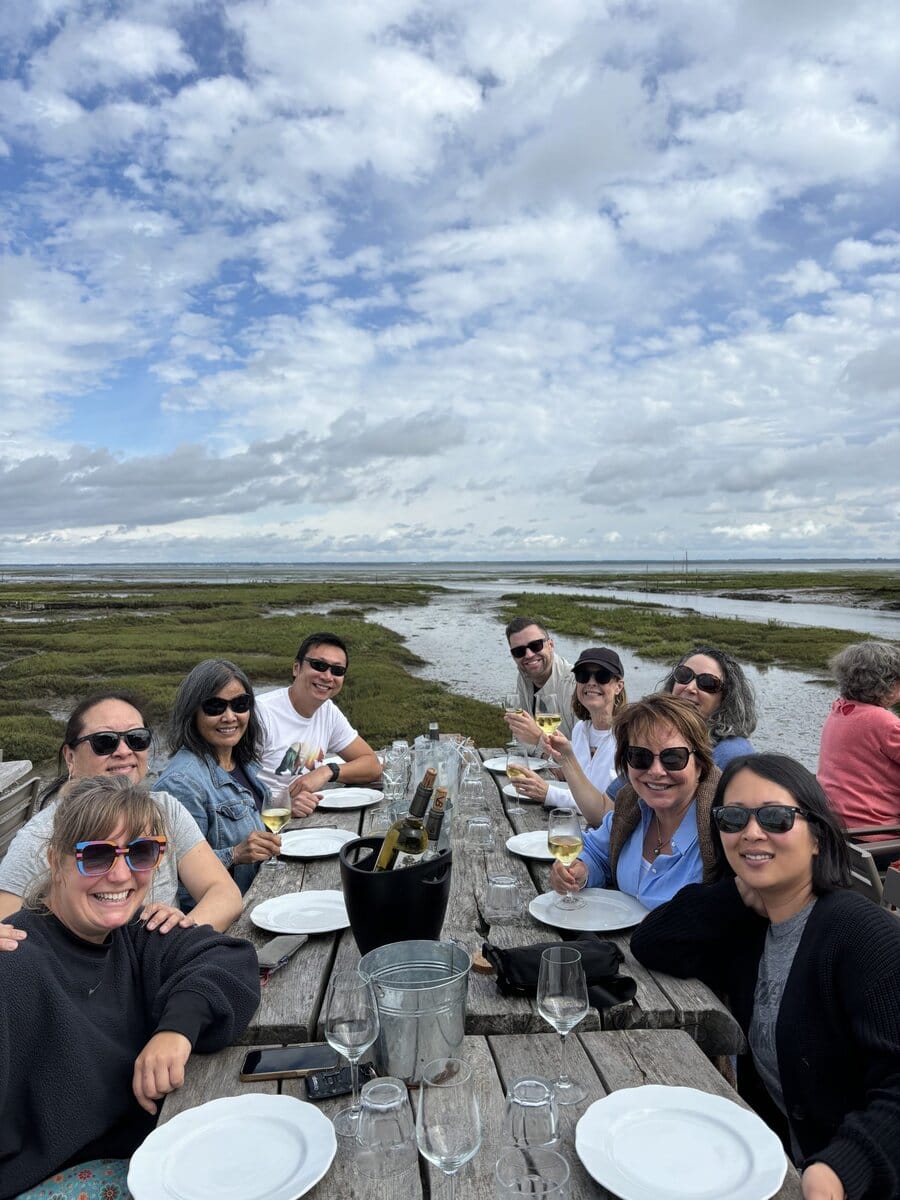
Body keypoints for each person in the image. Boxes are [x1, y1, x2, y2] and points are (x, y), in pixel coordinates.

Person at [631, 754, 900, 1200]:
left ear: (817, 837)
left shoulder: (860, 934)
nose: (752, 832)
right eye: (733, 819)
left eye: (776, 818)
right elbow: (651, 942)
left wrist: (841, 1169)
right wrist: (736, 891)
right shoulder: (752, 930)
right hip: (773, 1168)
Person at [0, 775, 260, 1200]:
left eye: (141, 853)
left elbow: (230, 959)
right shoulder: (14, 961)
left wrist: (176, 1029)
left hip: (144, 1150)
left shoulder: (136, 932)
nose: (121, 875)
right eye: (96, 856)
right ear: (54, 861)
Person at [0, 693, 242, 941]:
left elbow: (224, 893)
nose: (124, 751)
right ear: (70, 757)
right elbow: (7, 933)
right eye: (105, 742)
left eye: (137, 739)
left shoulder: (166, 809)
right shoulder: (41, 836)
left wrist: (175, 937)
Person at [550, 694, 719, 910]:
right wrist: (579, 870)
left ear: (700, 765)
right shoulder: (631, 808)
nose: (656, 771)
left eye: (673, 758)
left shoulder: (720, 833)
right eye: (640, 757)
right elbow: (595, 851)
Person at [154, 660, 280, 900]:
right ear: (192, 712)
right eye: (215, 707)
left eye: (240, 704)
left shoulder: (244, 763)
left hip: (258, 895)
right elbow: (173, 877)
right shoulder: (181, 783)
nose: (230, 717)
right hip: (228, 914)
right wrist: (235, 854)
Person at [256, 631, 381, 816]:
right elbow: (225, 785)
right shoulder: (261, 713)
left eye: (337, 670)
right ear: (296, 668)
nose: (327, 676)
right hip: (264, 823)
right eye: (319, 665)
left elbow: (372, 765)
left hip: (307, 817)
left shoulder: (328, 711)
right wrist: (282, 806)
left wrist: (327, 771)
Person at [510, 647, 625, 826]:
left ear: (618, 686)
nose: (591, 682)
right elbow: (577, 789)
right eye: (583, 676)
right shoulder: (580, 730)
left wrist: (548, 793)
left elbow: (605, 807)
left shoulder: (628, 736)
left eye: (602, 676)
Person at [817, 641, 900, 847]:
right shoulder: (882, 721)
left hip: (837, 826)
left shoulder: (840, 709)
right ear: (886, 683)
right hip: (878, 834)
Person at [661, 646, 757, 771]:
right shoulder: (648, 732)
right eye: (684, 675)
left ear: (726, 698)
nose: (690, 688)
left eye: (707, 683)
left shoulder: (732, 753)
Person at [504, 617, 577, 742]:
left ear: (551, 645)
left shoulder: (576, 684)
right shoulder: (524, 675)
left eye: (535, 645)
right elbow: (523, 738)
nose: (529, 655)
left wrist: (538, 738)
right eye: (519, 651)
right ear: (513, 656)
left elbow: (589, 751)